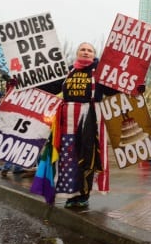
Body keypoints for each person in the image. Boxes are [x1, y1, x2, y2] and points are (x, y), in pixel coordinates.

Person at [41, 42, 118, 208]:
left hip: (91, 118)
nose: (86, 52)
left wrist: (134, 87)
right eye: (82, 49)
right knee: (68, 157)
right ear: (77, 53)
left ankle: (84, 194)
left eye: (89, 50)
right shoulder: (68, 71)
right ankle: (71, 194)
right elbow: (50, 87)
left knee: (88, 156)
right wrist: (23, 84)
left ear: (94, 54)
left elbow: (114, 89)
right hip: (68, 119)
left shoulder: (100, 71)